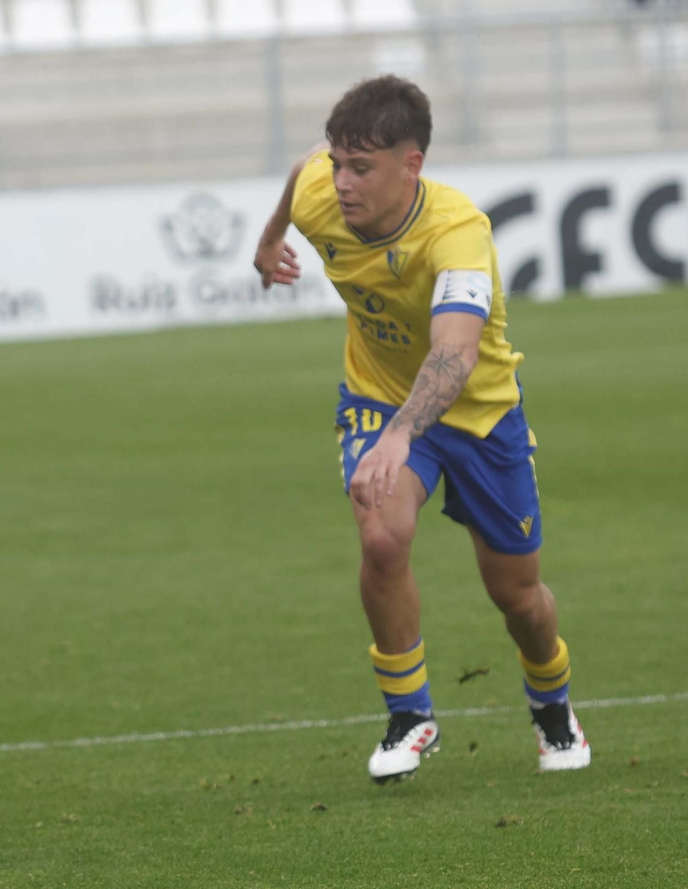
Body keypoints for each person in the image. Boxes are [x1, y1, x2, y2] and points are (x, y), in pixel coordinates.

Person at [253, 75, 590, 784]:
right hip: (377, 396)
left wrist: (405, 432)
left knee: (518, 596)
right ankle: (411, 713)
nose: (342, 181)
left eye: (362, 167)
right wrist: (270, 238)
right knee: (382, 533)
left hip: (480, 413)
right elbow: (301, 170)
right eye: (341, 162)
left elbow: (456, 354)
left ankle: (552, 703)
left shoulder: (458, 231)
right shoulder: (323, 188)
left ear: (413, 165)